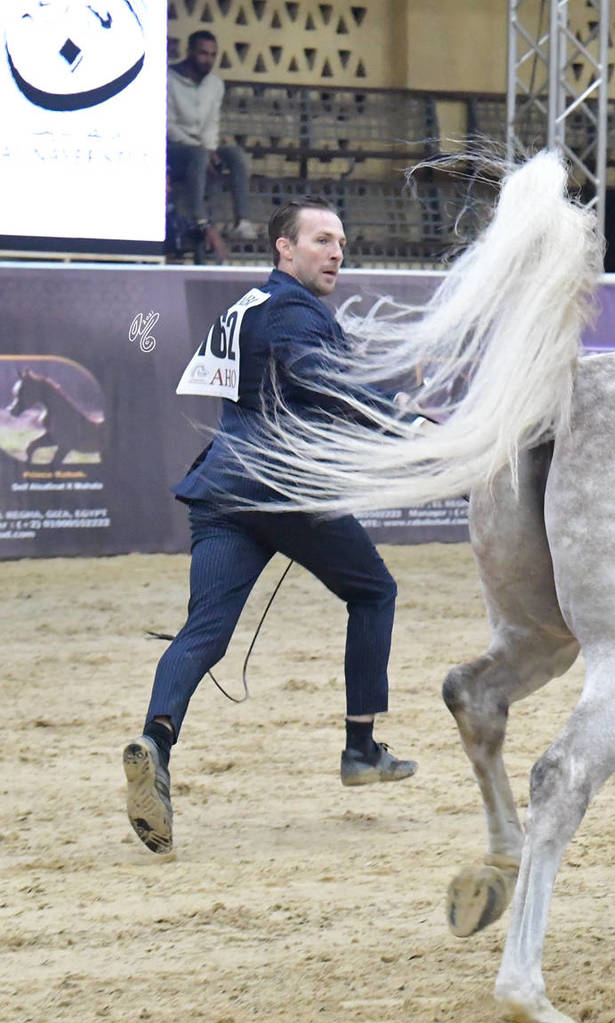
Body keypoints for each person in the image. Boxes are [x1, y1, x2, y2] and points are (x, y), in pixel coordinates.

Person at [123, 198, 416, 855]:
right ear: (285, 248)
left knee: (204, 633)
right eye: (321, 240)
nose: (336, 253)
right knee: (374, 592)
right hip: (282, 486)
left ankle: (155, 743)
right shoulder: (292, 308)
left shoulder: (252, 305)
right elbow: (317, 381)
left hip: (224, 488)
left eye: (341, 242)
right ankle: (361, 747)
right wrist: (400, 418)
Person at [167, 30, 257, 241]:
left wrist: (210, 150)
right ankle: (198, 217)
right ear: (189, 51)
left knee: (236, 154)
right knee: (198, 155)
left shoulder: (215, 84)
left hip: (202, 149)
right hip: (174, 149)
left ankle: (242, 221)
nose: (208, 60)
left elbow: (212, 123)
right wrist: (202, 151)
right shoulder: (168, 79)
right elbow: (167, 125)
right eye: (203, 53)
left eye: (212, 54)